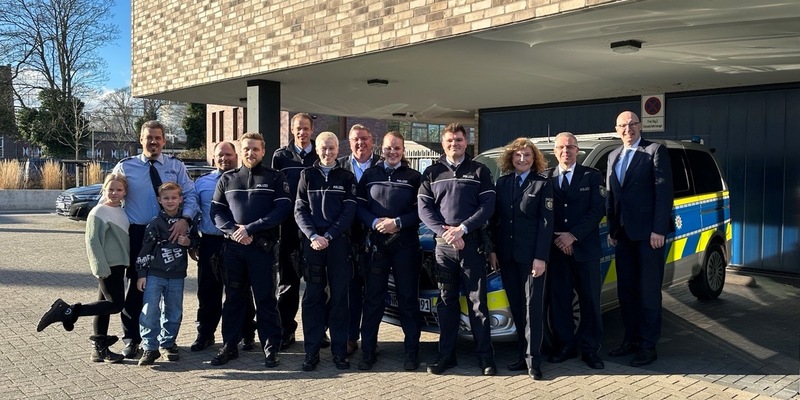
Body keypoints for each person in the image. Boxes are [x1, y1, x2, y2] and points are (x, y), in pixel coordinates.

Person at [111, 120, 197, 358]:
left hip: (171, 232)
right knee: (137, 287)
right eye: (149, 137)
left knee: (170, 291)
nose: (153, 141)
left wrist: (185, 220)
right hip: (138, 233)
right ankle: (132, 339)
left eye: (158, 137)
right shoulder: (125, 166)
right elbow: (110, 194)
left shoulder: (176, 166)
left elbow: (190, 195)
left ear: (164, 141)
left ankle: (166, 340)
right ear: (141, 140)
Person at [417, 123, 497, 376]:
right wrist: (446, 233)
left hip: (471, 244)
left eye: (459, 140)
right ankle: (446, 356)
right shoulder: (431, 173)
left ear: (467, 142)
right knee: (446, 302)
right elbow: (424, 210)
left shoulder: (480, 171)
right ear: (443, 143)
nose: (455, 144)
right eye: (450, 140)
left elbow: (488, 206)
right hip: (444, 248)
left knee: (477, 303)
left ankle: (486, 358)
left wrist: (462, 229)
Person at [209, 132, 292, 368]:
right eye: (246, 149)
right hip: (234, 248)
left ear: (263, 151)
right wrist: (234, 230)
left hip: (262, 249)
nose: (250, 153)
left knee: (266, 300)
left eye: (255, 149)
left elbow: (281, 210)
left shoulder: (275, 177)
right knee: (234, 300)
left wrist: (251, 229)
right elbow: (216, 211)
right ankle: (229, 346)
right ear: (240, 151)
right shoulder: (227, 179)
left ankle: (271, 348)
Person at [37, 174, 131, 363]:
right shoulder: (99, 212)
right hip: (108, 266)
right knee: (116, 305)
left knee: (103, 307)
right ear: (103, 190)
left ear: (125, 192)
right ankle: (67, 311)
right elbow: (92, 241)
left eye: (118, 190)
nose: (114, 193)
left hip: (119, 265)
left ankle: (99, 350)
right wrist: (100, 267)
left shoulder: (121, 210)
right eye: (110, 189)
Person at [606, 111, 674, 367]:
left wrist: (658, 230)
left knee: (648, 292)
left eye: (632, 124)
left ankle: (648, 346)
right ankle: (631, 340)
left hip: (648, 236)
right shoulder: (614, 155)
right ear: (617, 129)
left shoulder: (655, 150)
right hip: (623, 236)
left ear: (641, 125)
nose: (628, 129)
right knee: (627, 292)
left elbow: (663, 192)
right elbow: (611, 196)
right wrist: (613, 230)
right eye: (623, 125)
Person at [355, 131, 422, 371]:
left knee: (407, 300)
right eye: (388, 148)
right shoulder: (371, 175)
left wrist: (398, 223)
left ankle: (412, 353)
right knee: (373, 300)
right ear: (380, 149)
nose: (392, 152)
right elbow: (359, 207)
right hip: (377, 247)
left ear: (403, 151)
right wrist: (374, 223)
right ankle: (368, 352)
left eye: (397, 148)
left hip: (405, 247)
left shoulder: (414, 177)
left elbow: (421, 212)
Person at [487, 138, 553, 380]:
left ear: (534, 158)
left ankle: (534, 360)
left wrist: (541, 257)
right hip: (507, 256)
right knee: (516, 306)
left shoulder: (542, 184)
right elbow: (495, 221)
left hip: (531, 258)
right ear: (510, 158)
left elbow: (547, 223)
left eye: (527, 155)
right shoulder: (502, 183)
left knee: (532, 308)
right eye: (518, 155)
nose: (522, 159)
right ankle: (520, 355)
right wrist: (493, 251)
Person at [295, 131, 357, 371]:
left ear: (337, 150)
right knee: (313, 299)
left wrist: (329, 236)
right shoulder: (306, 176)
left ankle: (339, 353)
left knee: (340, 298)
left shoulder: (346, 177)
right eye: (323, 148)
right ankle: (311, 353)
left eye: (332, 148)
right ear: (316, 149)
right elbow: (299, 210)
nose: (328, 152)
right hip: (313, 246)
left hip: (338, 244)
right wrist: (313, 236)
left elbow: (348, 212)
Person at [189, 141, 257, 352]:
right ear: (213, 157)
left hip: (237, 242)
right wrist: (193, 239)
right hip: (211, 241)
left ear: (236, 156)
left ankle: (247, 333)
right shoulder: (202, 183)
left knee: (240, 290)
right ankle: (206, 333)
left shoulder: (244, 179)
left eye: (228, 154)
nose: (224, 158)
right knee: (208, 290)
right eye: (220, 155)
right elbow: (194, 210)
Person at [547, 132, 606, 370]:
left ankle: (590, 349)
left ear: (577, 150)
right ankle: (566, 346)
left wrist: (572, 236)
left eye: (570, 147)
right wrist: (560, 239)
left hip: (585, 250)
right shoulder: (546, 178)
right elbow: (544, 214)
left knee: (590, 300)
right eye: (561, 147)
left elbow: (597, 210)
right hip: (557, 250)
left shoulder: (592, 176)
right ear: (555, 151)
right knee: (560, 300)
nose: (566, 151)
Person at [271, 113, 321, 350]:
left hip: (314, 227)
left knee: (318, 282)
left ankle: (319, 331)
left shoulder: (319, 154)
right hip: (288, 229)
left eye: (306, 128)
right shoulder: (280, 156)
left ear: (312, 130)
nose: (302, 132)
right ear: (292, 130)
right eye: (298, 129)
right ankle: (286, 330)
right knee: (288, 282)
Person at [135, 182, 197, 366]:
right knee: (150, 310)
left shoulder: (187, 223)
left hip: (177, 275)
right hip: (154, 274)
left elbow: (196, 241)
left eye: (174, 198)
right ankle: (149, 346)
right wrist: (141, 274)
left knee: (174, 311)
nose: (170, 201)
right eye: (166, 198)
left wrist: (189, 242)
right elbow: (145, 249)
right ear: (159, 200)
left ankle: (168, 343)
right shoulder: (154, 224)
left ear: (181, 199)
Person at [338, 123, 381, 356]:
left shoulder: (383, 165)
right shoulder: (341, 165)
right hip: (348, 238)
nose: (360, 143)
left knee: (374, 291)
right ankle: (351, 337)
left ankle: (371, 339)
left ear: (372, 140)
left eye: (364, 138)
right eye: (355, 139)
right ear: (349, 142)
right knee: (351, 291)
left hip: (377, 237)